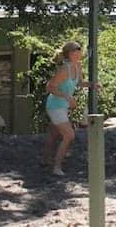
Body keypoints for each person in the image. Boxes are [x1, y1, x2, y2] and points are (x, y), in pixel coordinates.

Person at [42, 41, 95, 176]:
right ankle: (57, 167)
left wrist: (92, 85)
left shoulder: (78, 66)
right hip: (55, 106)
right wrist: (67, 97)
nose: (79, 53)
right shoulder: (64, 70)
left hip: (63, 106)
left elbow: (79, 83)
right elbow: (50, 87)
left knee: (54, 134)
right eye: (76, 51)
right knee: (69, 135)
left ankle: (45, 160)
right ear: (69, 54)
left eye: (79, 51)